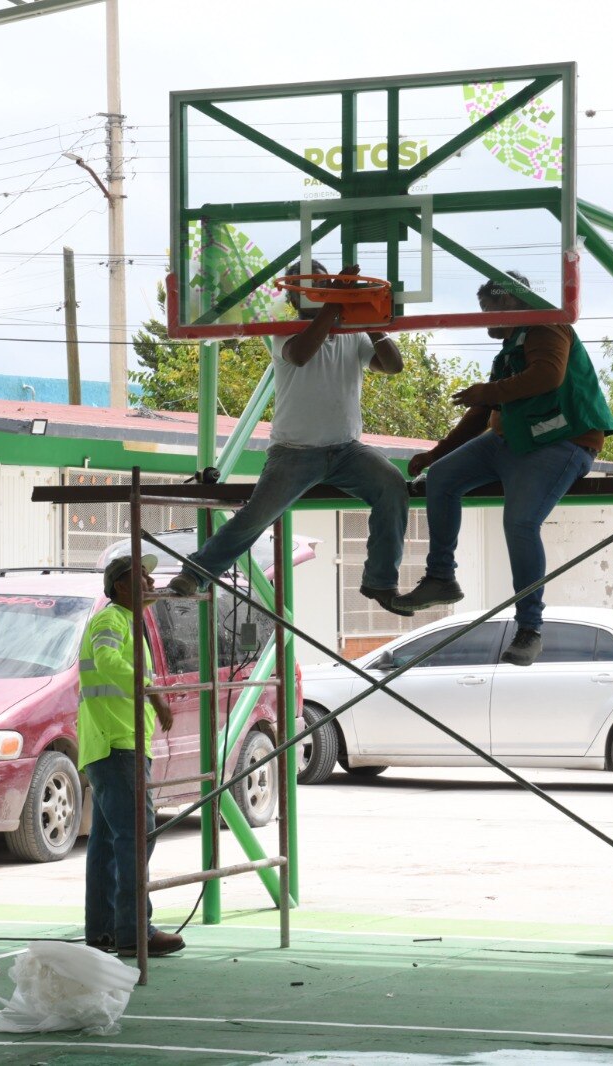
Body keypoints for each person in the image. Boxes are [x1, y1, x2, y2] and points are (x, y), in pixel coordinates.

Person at [395, 272, 613, 666]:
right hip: (513, 439)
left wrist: (490, 391)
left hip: (562, 441)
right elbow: (482, 413)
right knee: (442, 479)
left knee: (520, 522)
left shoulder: (547, 325)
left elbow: (549, 375)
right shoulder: (509, 352)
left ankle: (530, 629)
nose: (484, 320)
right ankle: (441, 577)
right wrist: (437, 454)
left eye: (488, 310)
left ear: (511, 303)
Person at [167, 262, 412, 616]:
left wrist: (371, 323)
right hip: (294, 452)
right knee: (256, 517)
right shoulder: (287, 330)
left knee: (392, 486)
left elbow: (393, 366)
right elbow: (300, 354)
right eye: (311, 286)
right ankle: (196, 573)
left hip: (346, 450)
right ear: (294, 297)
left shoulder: (353, 334)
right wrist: (336, 303)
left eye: (325, 283)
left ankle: (380, 581)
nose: (321, 290)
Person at [78, 553, 184, 958]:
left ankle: (106, 930)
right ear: (121, 585)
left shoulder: (126, 623)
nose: (152, 584)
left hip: (115, 743)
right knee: (137, 837)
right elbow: (107, 663)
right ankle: (135, 930)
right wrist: (154, 692)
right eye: (143, 577)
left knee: (108, 842)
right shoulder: (110, 621)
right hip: (116, 744)